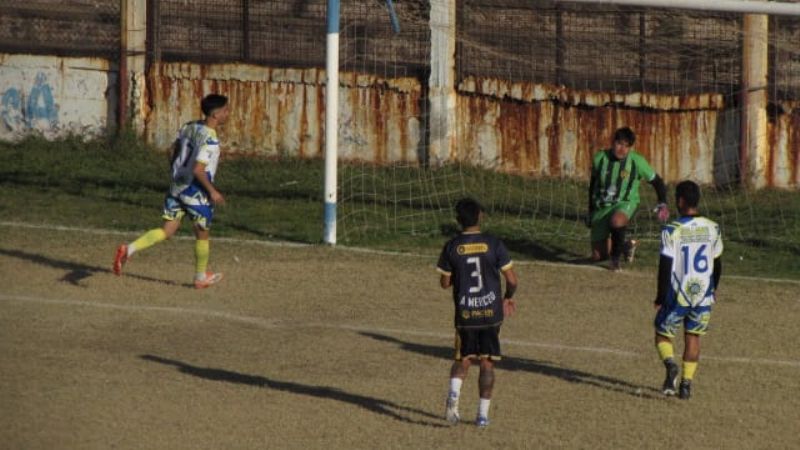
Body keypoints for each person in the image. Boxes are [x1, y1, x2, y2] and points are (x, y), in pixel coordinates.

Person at [113, 93, 230, 289]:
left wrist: (176, 172)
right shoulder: (210, 140)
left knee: (167, 230)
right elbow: (198, 170)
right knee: (202, 233)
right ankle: (200, 277)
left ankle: (129, 249)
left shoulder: (190, 126)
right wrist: (212, 191)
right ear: (216, 114)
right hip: (195, 192)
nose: (228, 114)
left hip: (177, 187)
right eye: (226, 110)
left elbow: (173, 150)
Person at [436, 198, 518, 427]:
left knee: (463, 359)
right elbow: (512, 280)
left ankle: (453, 395)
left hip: (466, 314)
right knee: (487, 364)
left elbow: (444, 283)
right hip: (491, 314)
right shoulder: (494, 244)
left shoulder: (452, 246)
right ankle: (482, 416)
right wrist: (508, 297)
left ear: (457, 220)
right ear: (480, 216)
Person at [653, 180, 723, 399]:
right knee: (693, 337)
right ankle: (686, 385)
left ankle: (671, 365)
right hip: (703, 295)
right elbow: (718, 263)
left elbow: (665, 266)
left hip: (678, 295)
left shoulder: (672, 230)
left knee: (662, 334)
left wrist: (660, 296)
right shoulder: (713, 228)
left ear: (680, 201)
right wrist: (714, 289)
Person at [587, 126, 669, 270]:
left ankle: (615, 260)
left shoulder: (637, 161)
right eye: (619, 144)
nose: (622, 149)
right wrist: (590, 209)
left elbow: (657, 181)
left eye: (626, 146)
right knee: (598, 256)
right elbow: (593, 184)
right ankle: (626, 246)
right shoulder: (600, 158)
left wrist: (662, 202)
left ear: (630, 148)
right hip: (602, 207)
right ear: (613, 142)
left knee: (617, 221)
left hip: (625, 203)